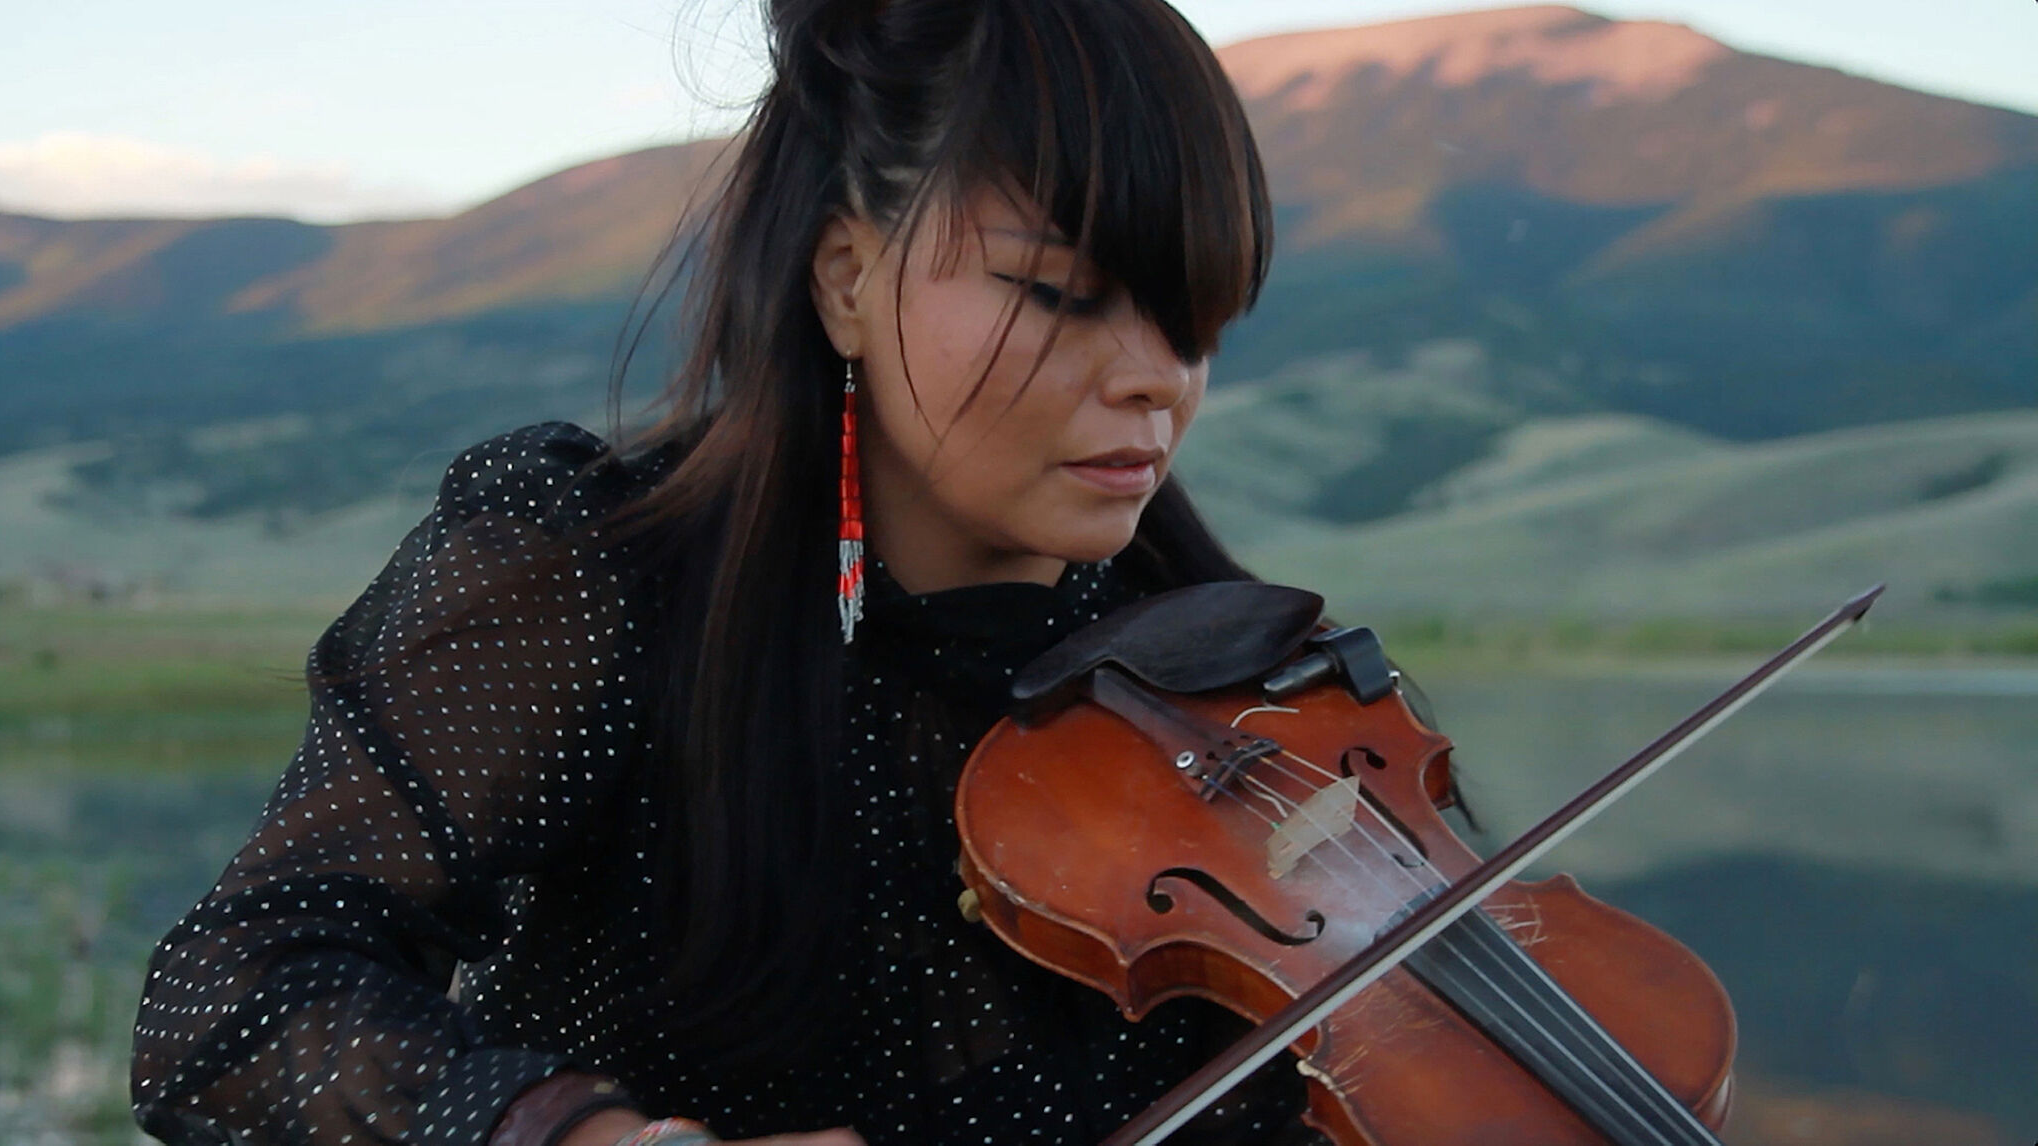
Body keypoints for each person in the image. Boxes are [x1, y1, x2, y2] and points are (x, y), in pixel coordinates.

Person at [130, 0, 1320, 1142]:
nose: (1154, 378)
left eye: (1192, 318)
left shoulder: (1250, 698)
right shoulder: (603, 578)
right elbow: (236, 993)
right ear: (847, 277)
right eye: (1059, 294)